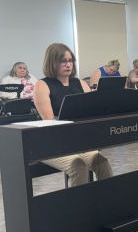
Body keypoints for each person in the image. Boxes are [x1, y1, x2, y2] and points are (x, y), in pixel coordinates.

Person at [33, 43, 113, 187]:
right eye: (63, 61)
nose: (68, 64)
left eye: (70, 61)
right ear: (52, 62)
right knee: (78, 166)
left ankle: (107, 202)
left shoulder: (80, 83)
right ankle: (77, 208)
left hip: (78, 141)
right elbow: (49, 121)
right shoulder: (42, 85)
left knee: (102, 163)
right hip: (52, 144)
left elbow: (93, 110)